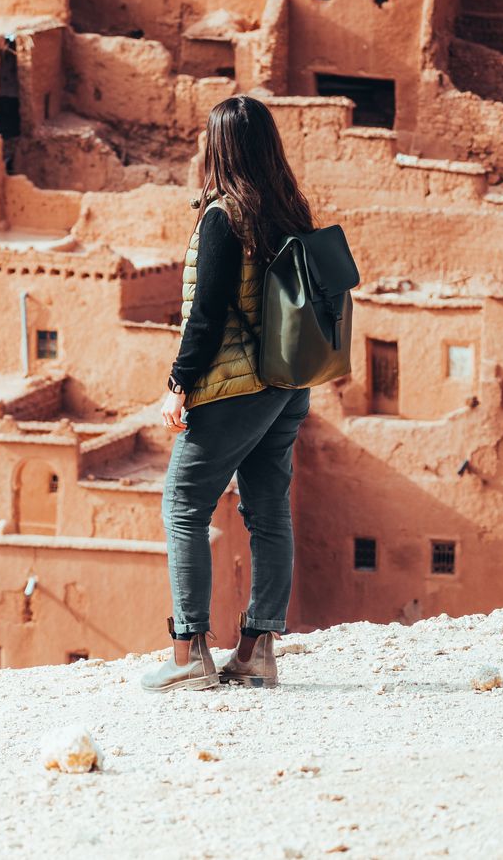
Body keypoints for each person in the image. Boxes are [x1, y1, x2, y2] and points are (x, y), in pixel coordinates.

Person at [140, 94, 315, 693]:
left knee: (184, 502)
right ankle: (257, 652)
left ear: (220, 148)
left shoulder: (223, 216)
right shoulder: (290, 210)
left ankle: (189, 650)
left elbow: (207, 316)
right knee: (268, 511)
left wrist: (178, 384)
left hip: (237, 388)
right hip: (289, 385)